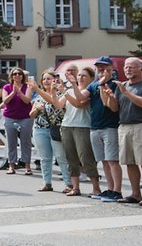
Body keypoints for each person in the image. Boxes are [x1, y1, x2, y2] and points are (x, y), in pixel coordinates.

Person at [103, 57, 142, 206]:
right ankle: (135, 194)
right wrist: (110, 97)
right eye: (126, 67)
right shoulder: (123, 86)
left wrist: (126, 92)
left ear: (141, 69)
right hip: (124, 126)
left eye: (132, 67)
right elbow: (115, 108)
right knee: (129, 161)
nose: (128, 70)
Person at [61, 67, 101, 197]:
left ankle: (96, 187)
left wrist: (67, 90)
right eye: (79, 75)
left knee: (86, 158)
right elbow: (58, 105)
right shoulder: (70, 90)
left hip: (82, 127)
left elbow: (79, 103)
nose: (80, 78)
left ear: (91, 78)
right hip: (67, 126)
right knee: (71, 158)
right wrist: (52, 91)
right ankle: (75, 187)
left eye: (84, 76)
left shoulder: (91, 91)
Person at [88, 57, 122, 200]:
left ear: (111, 68)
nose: (101, 70)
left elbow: (111, 106)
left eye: (104, 67)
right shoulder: (93, 85)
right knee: (104, 160)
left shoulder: (115, 84)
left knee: (112, 160)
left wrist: (103, 84)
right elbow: (80, 98)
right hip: (95, 126)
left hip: (110, 126)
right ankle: (109, 188)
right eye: (99, 67)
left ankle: (117, 191)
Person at [30, 70, 70, 192]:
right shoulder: (38, 97)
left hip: (55, 129)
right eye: (44, 79)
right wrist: (36, 109)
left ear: (55, 80)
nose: (46, 81)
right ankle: (47, 183)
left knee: (61, 157)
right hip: (40, 129)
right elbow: (31, 115)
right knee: (45, 158)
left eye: (49, 78)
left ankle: (69, 183)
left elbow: (53, 102)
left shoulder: (60, 94)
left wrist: (37, 89)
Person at [0, 68, 33, 176]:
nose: (17, 75)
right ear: (11, 76)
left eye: (19, 74)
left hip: (26, 117)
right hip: (10, 117)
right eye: (14, 74)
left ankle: (27, 166)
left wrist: (19, 92)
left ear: (22, 76)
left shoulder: (28, 86)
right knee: (11, 142)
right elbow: (5, 101)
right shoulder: (7, 87)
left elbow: (27, 100)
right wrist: (13, 92)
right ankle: (11, 165)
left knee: (25, 142)